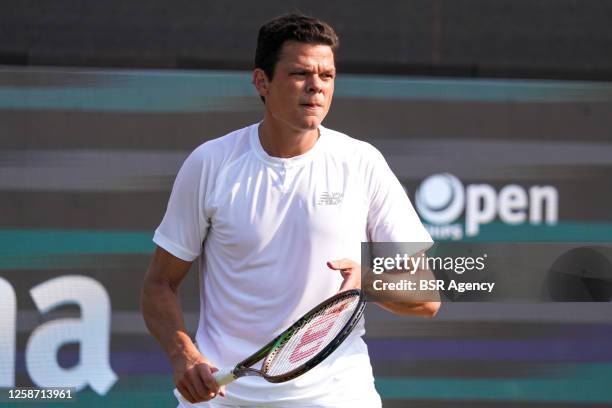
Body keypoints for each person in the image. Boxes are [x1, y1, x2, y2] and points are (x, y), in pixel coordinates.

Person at [141, 13, 439, 408]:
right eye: (301, 73)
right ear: (261, 82)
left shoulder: (362, 162)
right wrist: (184, 355)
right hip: (224, 397)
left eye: (327, 76)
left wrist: (365, 283)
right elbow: (159, 285)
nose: (316, 87)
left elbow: (426, 295)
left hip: (337, 395)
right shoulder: (210, 163)